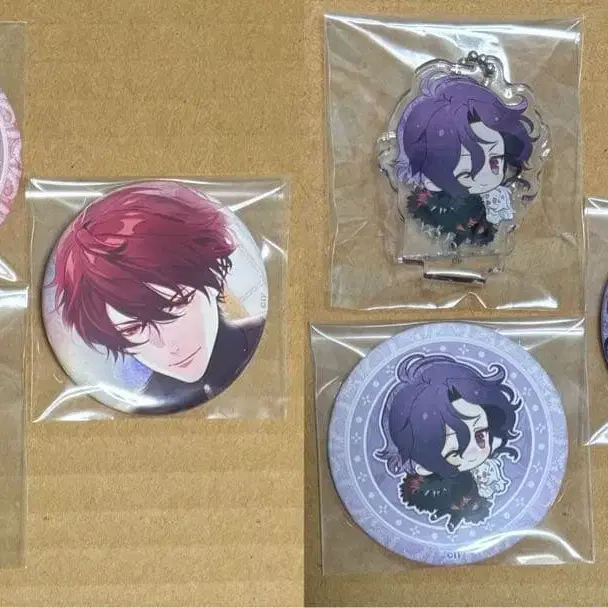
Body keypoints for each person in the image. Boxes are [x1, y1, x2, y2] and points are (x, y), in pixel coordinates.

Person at [50, 180, 265, 413]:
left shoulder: (266, 352)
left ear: (212, 277)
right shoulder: (141, 407)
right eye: (134, 329)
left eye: (175, 305)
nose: (170, 344)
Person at [375, 353, 521, 531]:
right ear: (424, 466)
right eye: (455, 452)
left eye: (480, 435)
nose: (474, 452)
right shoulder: (438, 491)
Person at [395, 73, 535, 246]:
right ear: (431, 181)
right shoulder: (436, 212)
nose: (487, 177)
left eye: (494, 162)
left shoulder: (499, 199)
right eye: (467, 174)